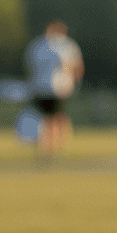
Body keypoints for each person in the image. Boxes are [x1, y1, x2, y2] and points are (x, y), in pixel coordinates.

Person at [25, 21, 84, 155]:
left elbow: (30, 67)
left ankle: (49, 146)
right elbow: (77, 66)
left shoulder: (38, 45)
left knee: (49, 118)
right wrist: (75, 83)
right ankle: (55, 146)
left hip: (44, 87)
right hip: (58, 87)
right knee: (55, 118)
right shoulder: (66, 45)